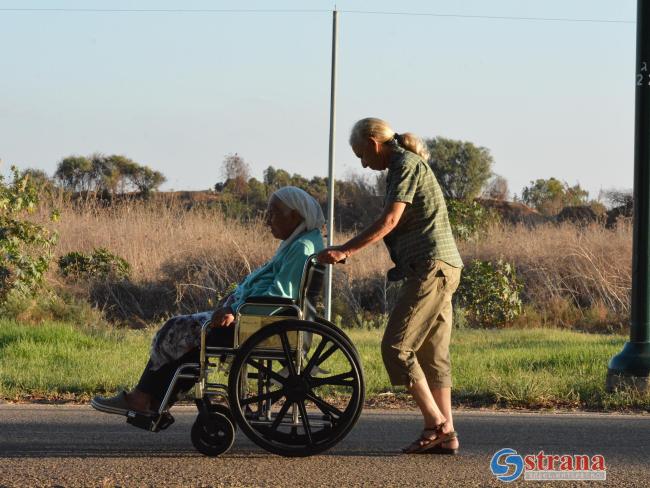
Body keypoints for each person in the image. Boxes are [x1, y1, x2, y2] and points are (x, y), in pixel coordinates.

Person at [92, 186, 325, 416]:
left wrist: (234, 310)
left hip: (254, 321)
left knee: (176, 329)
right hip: (253, 316)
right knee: (185, 335)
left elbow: (280, 296)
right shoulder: (301, 242)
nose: (267, 220)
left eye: (273, 213)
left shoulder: (301, 248)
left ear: (295, 215)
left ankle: (142, 399)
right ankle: (151, 399)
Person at [317, 117, 463, 455]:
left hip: (432, 267)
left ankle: (437, 424)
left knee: (396, 347)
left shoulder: (405, 164)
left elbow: (390, 220)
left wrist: (345, 250)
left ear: (373, 142)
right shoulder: (402, 164)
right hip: (440, 267)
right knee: (432, 356)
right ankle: (446, 432)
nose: (363, 163)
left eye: (361, 154)